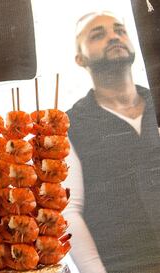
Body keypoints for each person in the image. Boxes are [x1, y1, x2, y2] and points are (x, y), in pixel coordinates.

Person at [64, 11, 160, 273]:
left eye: (120, 30)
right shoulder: (69, 125)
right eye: (98, 34)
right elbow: (70, 210)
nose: (114, 36)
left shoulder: (156, 102)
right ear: (80, 58)